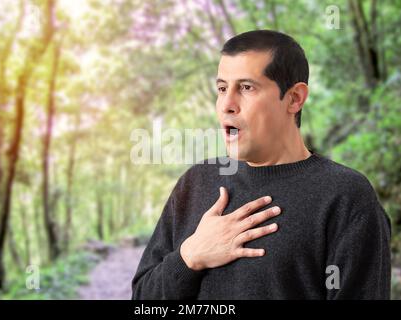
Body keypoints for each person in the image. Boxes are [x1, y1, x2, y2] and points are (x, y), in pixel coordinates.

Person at [131, 30, 392, 299]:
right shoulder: (195, 183)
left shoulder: (346, 196)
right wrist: (190, 257)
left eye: (246, 88)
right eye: (222, 89)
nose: (227, 105)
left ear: (294, 98)